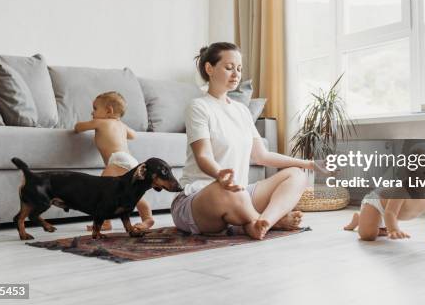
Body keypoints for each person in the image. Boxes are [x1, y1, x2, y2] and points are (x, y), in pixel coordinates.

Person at [171, 42, 328, 240]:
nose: (236, 74)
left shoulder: (241, 111)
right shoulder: (199, 107)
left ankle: (265, 222)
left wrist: (309, 164)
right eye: (229, 68)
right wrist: (219, 174)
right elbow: (203, 155)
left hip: (240, 194)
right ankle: (267, 221)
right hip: (198, 198)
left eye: (239, 68)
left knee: (297, 176)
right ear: (209, 68)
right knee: (227, 189)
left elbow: (261, 156)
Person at [74, 91, 154, 232]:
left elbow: (78, 127)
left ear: (108, 110)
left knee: (104, 191)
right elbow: (133, 135)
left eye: (95, 108)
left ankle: (104, 222)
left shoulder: (100, 122)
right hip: (131, 161)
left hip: (117, 160)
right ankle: (147, 218)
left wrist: (79, 126)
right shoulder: (121, 125)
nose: (92, 112)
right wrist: (118, 126)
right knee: (133, 193)